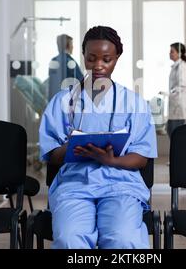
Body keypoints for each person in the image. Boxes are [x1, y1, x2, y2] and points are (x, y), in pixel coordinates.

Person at [39, 26, 158, 249]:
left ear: (117, 59)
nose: (98, 66)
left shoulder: (134, 103)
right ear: (83, 56)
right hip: (75, 184)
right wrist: (74, 147)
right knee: (69, 239)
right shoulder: (63, 102)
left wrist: (112, 161)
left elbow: (142, 157)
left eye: (106, 59)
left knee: (123, 239)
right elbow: (51, 154)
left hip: (120, 185)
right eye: (91, 58)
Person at [161, 42, 186, 139]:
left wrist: (169, 93)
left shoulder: (182, 66)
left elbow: (182, 86)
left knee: (176, 133)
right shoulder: (176, 66)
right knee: (170, 130)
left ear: (179, 53)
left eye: (172, 52)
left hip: (179, 106)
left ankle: (180, 153)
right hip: (175, 106)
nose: (170, 54)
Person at [48, 34, 84, 100]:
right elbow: (81, 81)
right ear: (68, 46)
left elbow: (51, 83)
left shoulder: (54, 61)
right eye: (71, 44)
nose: (73, 47)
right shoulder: (70, 62)